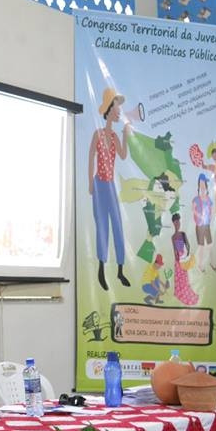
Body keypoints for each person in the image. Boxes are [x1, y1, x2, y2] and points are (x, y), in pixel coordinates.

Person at [88, 88, 133, 291]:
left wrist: (125, 136)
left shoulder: (114, 137)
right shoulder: (97, 135)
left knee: (117, 225)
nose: (119, 111)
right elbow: (91, 158)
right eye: (117, 107)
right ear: (109, 108)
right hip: (99, 184)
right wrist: (90, 182)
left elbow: (123, 156)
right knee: (102, 227)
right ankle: (101, 269)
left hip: (110, 186)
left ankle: (120, 270)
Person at [170, 213, 198, 306]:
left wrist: (186, 255)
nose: (178, 223)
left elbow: (188, 245)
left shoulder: (183, 234)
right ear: (173, 223)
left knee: (184, 277)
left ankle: (185, 292)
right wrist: (177, 259)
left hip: (184, 258)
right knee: (178, 277)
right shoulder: (173, 237)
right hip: (178, 260)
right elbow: (174, 250)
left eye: (178, 221)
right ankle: (179, 293)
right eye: (176, 222)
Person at [191, 174, 216, 272]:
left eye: (204, 184)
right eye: (202, 184)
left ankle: (212, 262)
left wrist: (210, 217)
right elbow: (193, 209)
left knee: (210, 245)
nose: (203, 186)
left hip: (206, 225)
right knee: (201, 246)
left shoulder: (208, 198)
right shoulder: (196, 199)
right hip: (199, 225)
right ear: (199, 184)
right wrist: (199, 216)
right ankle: (201, 265)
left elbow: (211, 208)